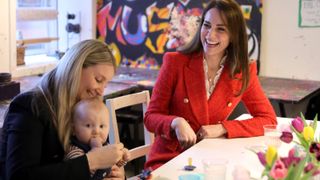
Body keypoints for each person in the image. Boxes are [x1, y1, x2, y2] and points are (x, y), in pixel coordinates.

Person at [144, 0, 277, 170]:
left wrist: (223, 128)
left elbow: (268, 120)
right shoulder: (174, 62)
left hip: (212, 158)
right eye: (207, 25)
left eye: (220, 29)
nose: (210, 35)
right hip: (170, 159)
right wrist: (175, 122)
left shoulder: (243, 71)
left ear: (234, 35)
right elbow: (150, 117)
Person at [0, 39, 129, 180]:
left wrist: (111, 171)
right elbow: (18, 176)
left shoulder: (83, 106)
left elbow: (91, 152)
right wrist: (92, 161)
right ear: (75, 68)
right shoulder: (29, 106)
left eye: (105, 84)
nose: (101, 92)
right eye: (98, 80)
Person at [65, 97, 129, 180]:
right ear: (73, 129)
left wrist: (122, 158)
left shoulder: (106, 146)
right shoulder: (75, 152)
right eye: (88, 125)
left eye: (101, 126)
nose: (96, 131)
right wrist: (96, 151)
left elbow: (115, 164)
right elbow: (81, 173)